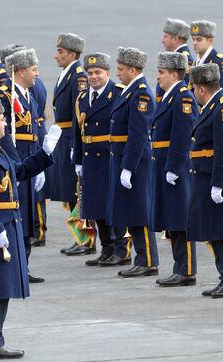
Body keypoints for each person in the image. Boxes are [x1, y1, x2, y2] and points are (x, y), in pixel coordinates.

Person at [0, 97, 60, 359]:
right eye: (2, 118)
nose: (6, 121)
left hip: (9, 221)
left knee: (3, 286)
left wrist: (45, 153)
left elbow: (18, 171)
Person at [187, 63, 223, 298]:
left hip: (218, 178)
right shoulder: (211, 108)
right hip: (206, 176)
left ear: (201, 89)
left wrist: (218, 184)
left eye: (194, 89)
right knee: (214, 230)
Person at [0, 49, 45, 283]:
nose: (37, 73)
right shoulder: (4, 95)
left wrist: (39, 164)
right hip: (17, 163)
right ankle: (14, 265)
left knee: (28, 216)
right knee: (17, 215)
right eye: (33, 69)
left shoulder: (27, 94)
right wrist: (18, 164)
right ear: (21, 71)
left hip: (28, 162)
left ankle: (24, 265)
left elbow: (33, 132)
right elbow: (2, 135)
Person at [71, 52, 129, 263]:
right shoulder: (82, 98)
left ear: (108, 72)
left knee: (114, 203)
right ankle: (106, 247)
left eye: (98, 72)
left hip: (109, 154)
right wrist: (77, 159)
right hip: (89, 157)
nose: (93, 77)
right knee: (96, 204)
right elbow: (79, 131)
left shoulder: (118, 93)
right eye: (90, 73)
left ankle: (122, 250)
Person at [108, 47, 159, 277]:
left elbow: (137, 135)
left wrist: (128, 167)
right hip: (122, 156)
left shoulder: (141, 94)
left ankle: (147, 260)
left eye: (120, 69)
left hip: (134, 160)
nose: (117, 73)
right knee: (132, 210)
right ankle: (142, 257)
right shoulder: (130, 91)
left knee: (139, 212)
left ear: (132, 69)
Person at [150, 52, 198, 287]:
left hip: (175, 166)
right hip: (164, 163)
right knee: (172, 218)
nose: (158, 76)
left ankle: (186, 269)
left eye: (162, 72)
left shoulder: (183, 98)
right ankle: (179, 266)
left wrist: (174, 166)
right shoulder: (169, 96)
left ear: (174, 74)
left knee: (180, 219)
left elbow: (183, 136)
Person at [49, 33, 89, 254]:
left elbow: (79, 113)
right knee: (70, 189)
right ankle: (80, 237)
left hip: (70, 137)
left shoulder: (78, 76)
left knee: (78, 190)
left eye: (60, 52)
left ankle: (86, 238)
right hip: (62, 137)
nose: (56, 56)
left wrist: (76, 142)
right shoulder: (67, 73)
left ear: (72, 54)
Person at [189, 20, 223, 100]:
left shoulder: (220, 62)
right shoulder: (195, 63)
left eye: (199, 40)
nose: (195, 43)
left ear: (210, 41)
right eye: (193, 39)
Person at [157, 18, 194, 102]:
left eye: (165, 37)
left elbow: (184, 92)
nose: (162, 41)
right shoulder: (174, 58)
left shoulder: (184, 60)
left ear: (175, 39)